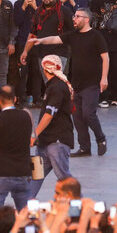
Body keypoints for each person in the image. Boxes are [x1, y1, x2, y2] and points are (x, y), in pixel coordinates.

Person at [29, 8, 108, 158]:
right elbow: (55, 39)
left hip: (92, 83)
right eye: (74, 16)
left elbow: (105, 57)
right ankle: (85, 147)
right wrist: (40, 40)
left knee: (88, 113)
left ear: (86, 19)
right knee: (77, 117)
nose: (74, 19)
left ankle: (101, 138)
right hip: (76, 83)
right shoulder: (73, 35)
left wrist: (104, 78)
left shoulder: (96, 36)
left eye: (77, 17)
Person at [31, 55, 74, 193]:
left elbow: (49, 115)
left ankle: (79, 206)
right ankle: (24, 206)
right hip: (46, 141)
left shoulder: (56, 87)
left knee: (64, 178)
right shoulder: (55, 86)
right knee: (35, 176)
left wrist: (34, 135)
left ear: (44, 69)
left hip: (56, 141)